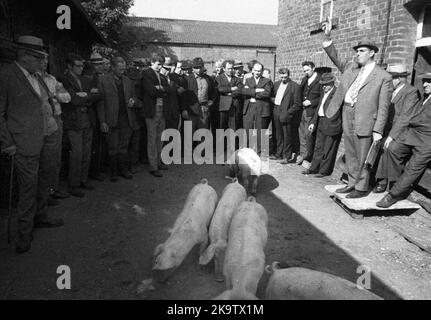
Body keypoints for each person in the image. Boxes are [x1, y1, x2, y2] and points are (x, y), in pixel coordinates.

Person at [0, 36, 64, 253]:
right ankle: (24, 233)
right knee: (28, 188)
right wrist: (7, 142)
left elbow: (46, 102)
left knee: (46, 179)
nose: (42, 62)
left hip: (49, 135)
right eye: (39, 57)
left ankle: (41, 216)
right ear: (25, 56)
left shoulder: (39, 76)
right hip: (24, 141)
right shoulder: (6, 75)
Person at [322, 20, 392, 199]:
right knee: (351, 152)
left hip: (366, 118)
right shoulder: (351, 68)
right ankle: (351, 183)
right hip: (347, 112)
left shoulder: (383, 77)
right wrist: (328, 36)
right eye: (357, 51)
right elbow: (335, 55)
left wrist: (378, 130)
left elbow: (384, 106)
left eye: (361, 51)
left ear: (372, 53)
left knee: (363, 155)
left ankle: (361, 187)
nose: (357, 54)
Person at [376, 73, 431, 208]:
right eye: (424, 81)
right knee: (392, 149)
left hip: (427, 140)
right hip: (413, 133)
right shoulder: (425, 96)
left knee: (414, 167)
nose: (424, 85)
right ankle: (394, 184)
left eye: (429, 82)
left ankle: (393, 195)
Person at [373, 64, 421, 193]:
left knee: (390, 147)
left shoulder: (411, 92)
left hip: (404, 132)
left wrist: (391, 136)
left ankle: (389, 183)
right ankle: (373, 178)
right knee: (375, 143)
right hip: (389, 130)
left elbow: (405, 118)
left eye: (390, 79)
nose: (388, 82)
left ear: (398, 79)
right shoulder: (390, 91)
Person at [61, 53, 100, 197]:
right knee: (76, 153)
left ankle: (83, 179)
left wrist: (85, 96)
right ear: (70, 66)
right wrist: (85, 96)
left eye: (82, 65)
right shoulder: (64, 79)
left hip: (87, 120)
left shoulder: (86, 79)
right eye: (78, 65)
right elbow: (73, 99)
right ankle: (74, 184)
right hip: (74, 121)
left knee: (86, 151)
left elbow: (97, 96)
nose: (81, 68)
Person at [98, 57, 141, 182]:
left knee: (124, 146)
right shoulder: (103, 80)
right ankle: (113, 172)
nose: (122, 71)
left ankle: (123, 170)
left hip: (126, 119)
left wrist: (133, 100)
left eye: (124, 68)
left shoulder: (127, 81)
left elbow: (134, 97)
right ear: (113, 67)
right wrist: (102, 121)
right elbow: (100, 103)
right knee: (112, 147)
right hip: (111, 119)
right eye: (120, 69)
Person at [39, 55, 72, 204]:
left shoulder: (52, 79)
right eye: (41, 59)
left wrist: (53, 95)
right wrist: (54, 96)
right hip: (42, 121)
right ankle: (43, 195)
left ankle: (53, 189)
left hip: (57, 119)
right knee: (44, 159)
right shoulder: (32, 80)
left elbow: (67, 98)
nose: (44, 63)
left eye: (46, 60)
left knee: (55, 157)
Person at [303, 73, 342, 177]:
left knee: (328, 149)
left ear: (332, 83)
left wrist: (332, 123)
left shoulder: (337, 93)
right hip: (321, 122)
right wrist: (313, 122)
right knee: (318, 147)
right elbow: (318, 109)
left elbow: (338, 111)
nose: (324, 86)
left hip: (331, 124)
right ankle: (313, 168)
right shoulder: (324, 93)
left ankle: (323, 171)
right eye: (322, 84)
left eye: (326, 84)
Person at [141, 54, 169, 178]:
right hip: (152, 109)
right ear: (152, 62)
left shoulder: (161, 75)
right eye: (158, 64)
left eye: (161, 64)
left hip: (161, 108)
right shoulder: (147, 73)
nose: (160, 67)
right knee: (152, 138)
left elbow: (169, 90)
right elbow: (151, 91)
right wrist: (161, 89)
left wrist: (160, 88)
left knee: (159, 137)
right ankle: (153, 166)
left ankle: (158, 162)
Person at [270, 67, 302, 163]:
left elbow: (297, 104)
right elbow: (271, 96)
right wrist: (274, 102)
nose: (283, 79)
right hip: (276, 111)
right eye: (282, 77)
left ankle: (286, 157)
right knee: (278, 134)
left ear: (289, 75)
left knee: (287, 136)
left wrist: (288, 113)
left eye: (285, 77)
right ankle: (278, 154)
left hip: (287, 114)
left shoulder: (294, 86)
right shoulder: (276, 84)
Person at [242, 62, 273, 154]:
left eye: (259, 71)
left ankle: (260, 151)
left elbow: (267, 93)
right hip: (249, 107)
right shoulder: (248, 80)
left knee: (261, 129)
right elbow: (244, 91)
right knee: (248, 129)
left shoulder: (267, 81)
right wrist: (257, 90)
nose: (257, 72)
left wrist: (252, 94)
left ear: (262, 71)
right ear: (252, 70)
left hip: (261, 108)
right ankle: (248, 150)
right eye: (255, 70)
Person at [85, 52, 106, 182]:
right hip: (93, 114)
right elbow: (93, 97)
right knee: (94, 145)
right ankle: (93, 171)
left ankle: (98, 168)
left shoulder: (103, 77)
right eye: (96, 65)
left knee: (99, 144)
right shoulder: (90, 78)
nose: (99, 67)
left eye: (101, 64)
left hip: (102, 113)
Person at [183, 57, 216, 132]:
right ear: (192, 68)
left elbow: (213, 92)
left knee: (203, 133)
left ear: (203, 67)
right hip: (191, 110)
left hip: (204, 109)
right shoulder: (187, 79)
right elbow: (184, 96)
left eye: (200, 67)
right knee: (189, 135)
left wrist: (211, 100)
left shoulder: (208, 79)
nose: (198, 70)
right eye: (196, 68)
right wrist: (184, 109)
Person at [298, 61, 322, 166]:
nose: (306, 72)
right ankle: (303, 155)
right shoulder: (305, 79)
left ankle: (308, 156)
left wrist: (312, 102)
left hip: (312, 111)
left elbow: (322, 98)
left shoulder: (320, 80)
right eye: (304, 71)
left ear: (313, 68)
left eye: (307, 70)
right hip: (303, 111)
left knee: (309, 135)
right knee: (301, 133)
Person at [216, 60, 244, 132]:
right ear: (224, 69)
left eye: (232, 68)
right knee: (221, 128)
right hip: (223, 107)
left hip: (234, 107)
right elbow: (220, 89)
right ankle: (221, 143)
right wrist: (232, 89)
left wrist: (228, 93)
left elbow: (240, 90)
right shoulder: (218, 78)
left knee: (233, 129)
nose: (230, 70)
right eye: (228, 68)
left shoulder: (237, 79)